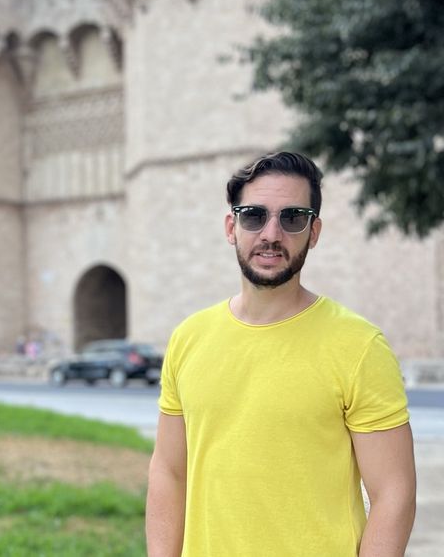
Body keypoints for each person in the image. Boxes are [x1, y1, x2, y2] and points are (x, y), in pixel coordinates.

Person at [146, 151, 416, 556]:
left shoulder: (358, 345)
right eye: (254, 215)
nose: (271, 233)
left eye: (292, 218)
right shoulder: (189, 337)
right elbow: (169, 472)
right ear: (231, 227)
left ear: (314, 231)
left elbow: (394, 494)